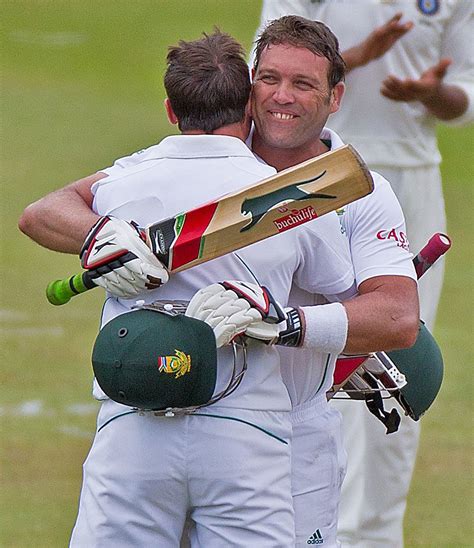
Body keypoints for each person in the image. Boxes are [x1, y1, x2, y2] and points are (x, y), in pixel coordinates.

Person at [19, 30, 357, 547]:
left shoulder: (117, 187)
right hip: (247, 436)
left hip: (132, 432)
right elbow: (338, 293)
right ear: (248, 106)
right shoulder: (292, 198)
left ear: (171, 110)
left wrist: (97, 236)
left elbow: (38, 216)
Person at [253, 4, 474, 547]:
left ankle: (374, 538)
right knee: (286, 360)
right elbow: (263, 75)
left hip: (411, 172)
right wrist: (354, 60)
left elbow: (466, 94)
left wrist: (430, 94)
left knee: (396, 370)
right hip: (308, 172)